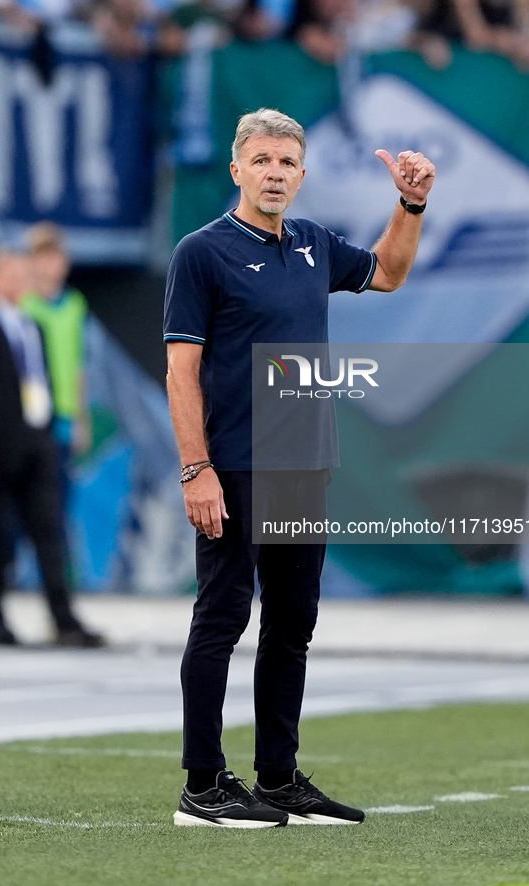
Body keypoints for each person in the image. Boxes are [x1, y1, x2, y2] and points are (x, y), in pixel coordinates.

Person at [164, 107, 435, 828]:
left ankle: (277, 778)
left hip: (302, 467)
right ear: (237, 170)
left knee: (292, 623)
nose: (275, 173)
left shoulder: (313, 245)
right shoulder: (202, 252)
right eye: (262, 161)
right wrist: (197, 470)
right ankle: (201, 786)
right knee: (221, 617)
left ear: (302, 174)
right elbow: (180, 371)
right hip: (235, 466)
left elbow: (387, 273)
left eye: (286, 162)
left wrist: (409, 204)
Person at [0, 246, 104, 648]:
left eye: (24, 276)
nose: (21, 284)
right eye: (13, 276)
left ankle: (63, 618)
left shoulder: (31, 326)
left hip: (38, 444)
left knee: (50, 532)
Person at [21, 223, 90, 537]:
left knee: (60, 499)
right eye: (41, 257)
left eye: (55, 256)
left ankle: (55, 579)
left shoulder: (75, 306)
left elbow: (79, 365)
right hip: (28, 418)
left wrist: (80, 417)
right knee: (22, 499)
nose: (49, 265)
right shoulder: (22, 306)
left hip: (62, 416)